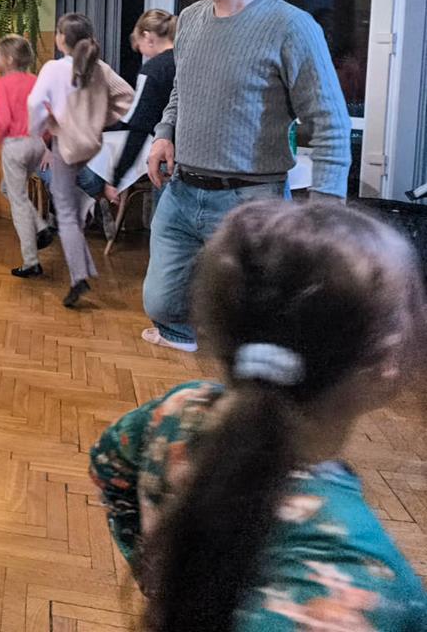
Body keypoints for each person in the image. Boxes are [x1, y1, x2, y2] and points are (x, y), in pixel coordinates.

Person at [90, 200, 427, 632]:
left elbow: (108, 463)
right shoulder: (368, 587)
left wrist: (159, 576)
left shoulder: (177, 410)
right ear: (387, 361)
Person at [144, 0, 351, 352]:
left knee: (254, 323)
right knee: (162, 303)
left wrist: (326, 211)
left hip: (251, 201)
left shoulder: (292, 27)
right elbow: (182, 89)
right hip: (181, 190)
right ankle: (187, 339)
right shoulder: (190, 20)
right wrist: (164, 133)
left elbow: (330, 122)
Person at [28, 13, 134, 308]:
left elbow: (35, 105)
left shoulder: (53, 69)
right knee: (72, 206)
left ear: (62, 38)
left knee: (65, 213)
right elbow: (127, 97)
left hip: (66, 146)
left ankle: (78, 277)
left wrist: (39, 129)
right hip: (91, 145)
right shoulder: (100, 67)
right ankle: (84, 264)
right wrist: (98, 120)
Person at [78, 9, 177, 234]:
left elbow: (138, 129)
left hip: (167, 161)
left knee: (166, 235)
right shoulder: (188, 62)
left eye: (140, 46)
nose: (142, 54)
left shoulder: (153, 71)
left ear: (148, 37)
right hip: (195, 163)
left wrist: (116, 178)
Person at [0, 35, 53, 277]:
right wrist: (44, 143)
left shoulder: (2, 84)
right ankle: (41, 228)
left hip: (16, 145)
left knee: (18, 202)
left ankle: (31, 262)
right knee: (9, 189)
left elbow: (4, 121)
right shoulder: (36, 81)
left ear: (9, 59)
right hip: (36, 144)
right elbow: (49, 115)